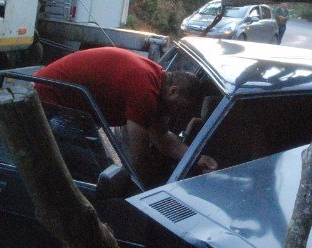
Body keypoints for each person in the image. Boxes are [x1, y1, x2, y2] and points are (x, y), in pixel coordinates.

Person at [34, 47, 217, 181]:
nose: (174, 114)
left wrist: (196, 159)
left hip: (69, 105)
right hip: (49, 100)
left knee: (102, 170)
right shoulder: (145, 90)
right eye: (178, 108)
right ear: (173, 91)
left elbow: (162, 138)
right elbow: (139, 157)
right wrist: (152, 189)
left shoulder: (155, 80)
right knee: (95, 175)